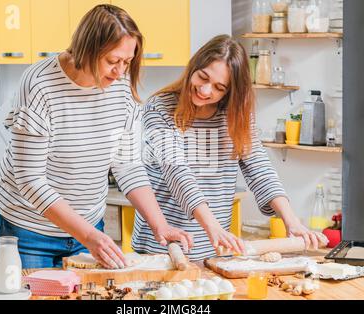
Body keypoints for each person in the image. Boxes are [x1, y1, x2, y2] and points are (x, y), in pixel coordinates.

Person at [0, 4, 192, 270]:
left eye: (127, 62)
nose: (120, 72)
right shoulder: (39, 85)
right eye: (112, 61)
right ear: (87, 48)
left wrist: (160, 225)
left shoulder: (121, 87)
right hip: (27, 230)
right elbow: (29, 179)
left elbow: (127, 165)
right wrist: (86, 234)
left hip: (89, 231)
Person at [132, 34, 327, 260]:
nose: (205, 91)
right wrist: (212, 226)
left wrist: (291, 221)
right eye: (202, 77)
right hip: (164, 247)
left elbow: (258, 168)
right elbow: (177, 172)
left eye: (219, 87)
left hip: (216, 247)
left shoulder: (235, 115)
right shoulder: (161, 108)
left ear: (230, 91)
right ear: (193, 68)